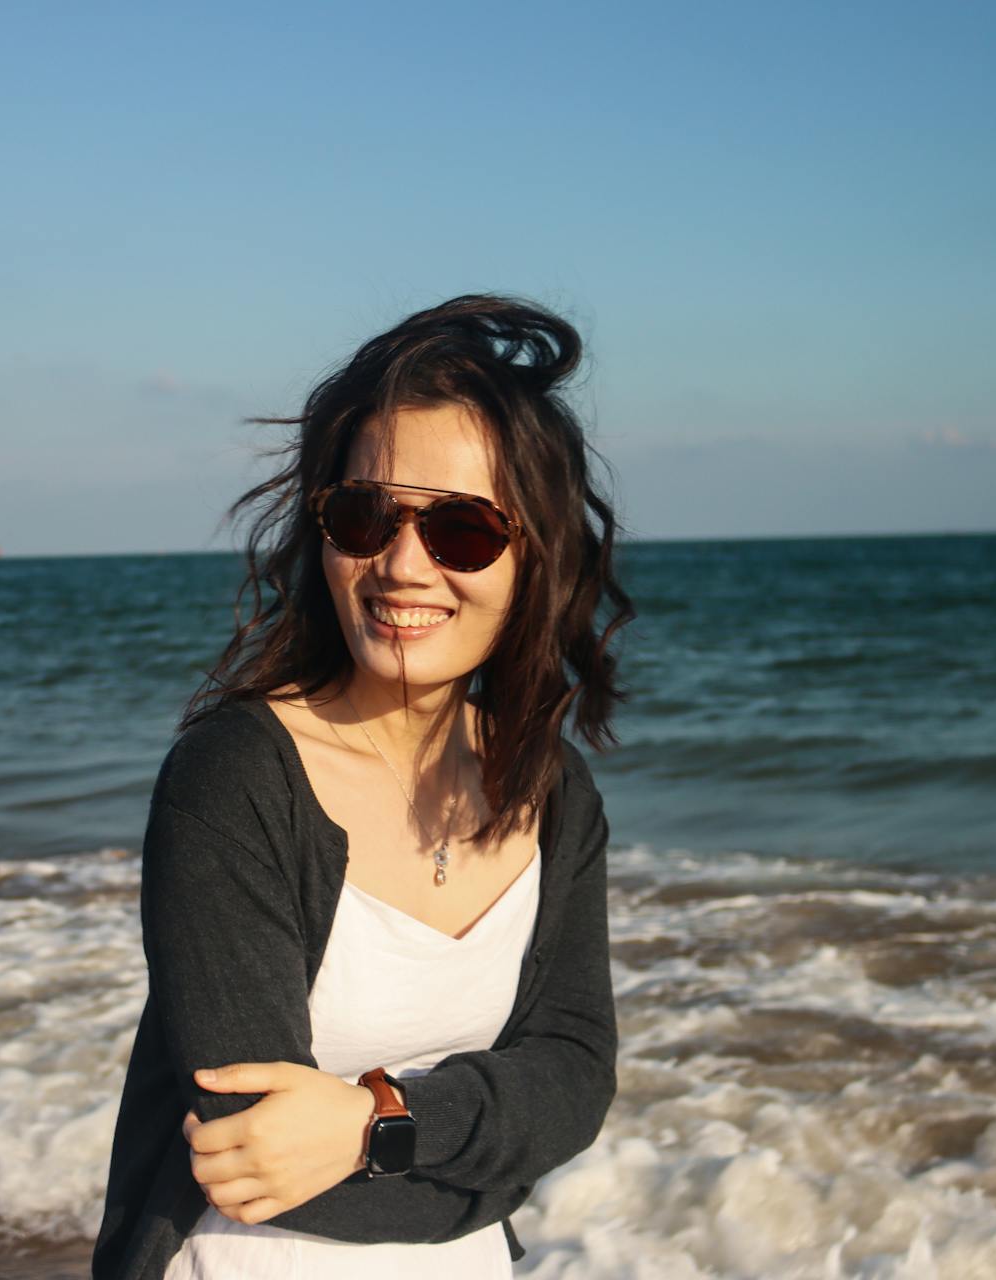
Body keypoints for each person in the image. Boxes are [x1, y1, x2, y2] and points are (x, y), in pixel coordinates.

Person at [94, 295, 633, 1280]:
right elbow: (250, 1146)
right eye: (364, 514)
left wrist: (375, 1120)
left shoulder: (555, 791)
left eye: (462, 528)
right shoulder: (236, 777)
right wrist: (489, 1155)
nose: (401, 562)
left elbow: (576, 1076)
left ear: (533, 555)